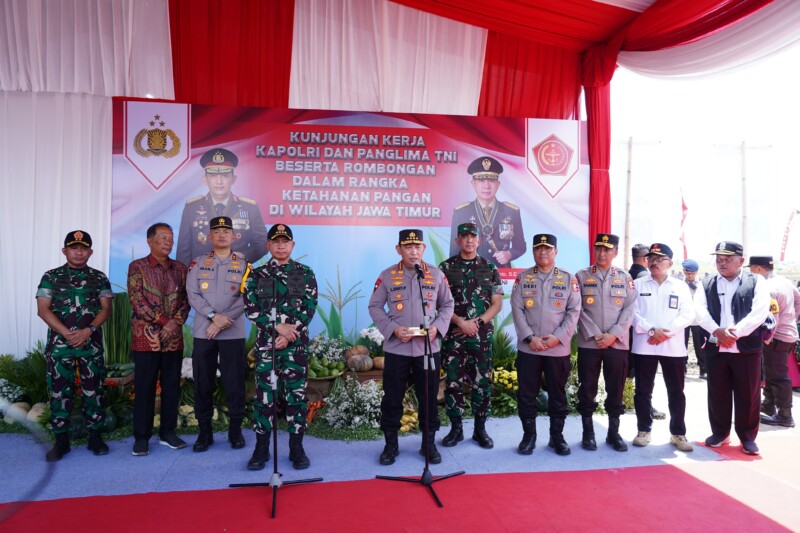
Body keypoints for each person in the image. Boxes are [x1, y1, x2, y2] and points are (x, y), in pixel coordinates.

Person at [368, 229, 454, 465]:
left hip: (428, 349)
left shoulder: (435, 275)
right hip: (398, 349)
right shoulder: (387, 276)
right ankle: (391, 444)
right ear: (399, 250)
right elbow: (375, 306)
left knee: (429, 397)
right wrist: (393, 329)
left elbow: (448, 305)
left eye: (417, 246)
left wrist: (438, 327)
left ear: (423, 249)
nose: (413, 251)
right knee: (392, 397)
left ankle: (428, 443)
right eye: (408, 247)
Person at [243, 224, 318, 470]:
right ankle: (261, 449)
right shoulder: (256, 275)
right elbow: (251, 308)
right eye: (276, 242)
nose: (281, 246)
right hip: (268, 347)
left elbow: (309, 307)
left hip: (295, 347)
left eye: (285, 241)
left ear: (292, 245)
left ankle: (297, 449)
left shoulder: (305, 273)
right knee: (264, 397)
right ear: (268, 245)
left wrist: (289, 335)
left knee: (296, 397)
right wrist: (277, 328)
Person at [36, 231, 113, 461]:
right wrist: (67, 334)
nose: (78, 252)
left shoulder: (99, 278)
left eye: (83, 248)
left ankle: (95, 437)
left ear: (90, 252)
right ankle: (61, 441)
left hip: (90, 343)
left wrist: (88, 330)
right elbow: (43, 309)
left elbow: (106, 308)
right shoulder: (51, 276)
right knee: (60, 391)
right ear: (64, 251)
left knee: (94, 389)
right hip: (61, 345)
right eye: (73, 248)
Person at [694, 241, 770, 455]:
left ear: (741, 261)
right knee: (718, 393)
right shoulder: (706, 283)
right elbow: (700, 311)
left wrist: (734, 333)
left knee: (748, 395)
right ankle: (720, 433)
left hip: (745, 349)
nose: (722, 263)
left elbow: (759, 312)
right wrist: (717, 331)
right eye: (719, 259)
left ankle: (747, 437)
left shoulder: (756, 281)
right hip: (716, 348)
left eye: (728, 259)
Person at [510, 233, 581, 456]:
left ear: (555, 252)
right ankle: (529, 436)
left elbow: (574, 311)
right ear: (533, 252)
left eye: (548, 248)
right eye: (539, 248)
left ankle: (556, 436)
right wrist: (530, 338)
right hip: (529, 347)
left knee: (557, 394)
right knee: (526, 394)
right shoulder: (523, 278)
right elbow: (517, 309)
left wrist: (558, 337)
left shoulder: (568, 279)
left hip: (557, 348)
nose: (543, 252)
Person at [186, 216, 250, 452]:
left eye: (226, 231)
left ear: (234, 236)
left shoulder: (244, 265)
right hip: (205, 333)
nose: (222, 235)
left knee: (235, 383)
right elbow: (192, 294)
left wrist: (223, 321)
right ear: (209, 237)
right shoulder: (198, 263)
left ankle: (235, 431)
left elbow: (247, 296)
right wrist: (214, 316)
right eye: (217, 231)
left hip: (232, 333)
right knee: (203, 383)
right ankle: (205, 433)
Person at [439, 223, 503, 449]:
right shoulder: (446, 267)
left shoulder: (489, 267)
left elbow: (497, 303)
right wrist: (461, 323)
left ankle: (480, 429)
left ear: (479, 241)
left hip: (481, 337)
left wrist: (477, 323)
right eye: (464, 236)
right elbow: (440, 303)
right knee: (453, 382)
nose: (469, 240)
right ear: (457, 240)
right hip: (454, 335)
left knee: (481, 382)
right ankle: (456, 429)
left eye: (472, 237)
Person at [128, 223, 190, 456]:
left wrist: (175, 323)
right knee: (144, 387)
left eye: (171, 238)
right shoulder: (138, 267)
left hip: (173, 338)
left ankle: (168, 432)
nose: (168, 241)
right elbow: (137, 300)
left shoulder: (180, 268)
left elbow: (187, 299)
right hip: (146, 338)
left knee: (171, 386)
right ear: (149, 240)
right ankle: (141, 437)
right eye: (163, 237)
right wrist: (166, 322)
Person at [631, 243, 695, 452]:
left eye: (659, 259)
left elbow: (688, 314)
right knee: (643, 391)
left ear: (670, 263)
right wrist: (651, 330)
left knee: (676, 391)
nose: (654, 262)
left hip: (672, 347)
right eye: (651, 258)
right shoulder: (638, 284)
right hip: (645, 345)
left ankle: (678, 433)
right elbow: (631, 313)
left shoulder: (680, 286)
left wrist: (666, 331)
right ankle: (643, 430)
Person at [575, 233, 636, 453]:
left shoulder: (625, 278)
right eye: (598, 249)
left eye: (607, 250)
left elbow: (630, 309)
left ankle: (613, 433)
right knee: (587, 389)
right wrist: (595, 334)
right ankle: (588, 433)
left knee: (615, 389)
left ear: (615, 252)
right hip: (589, 344)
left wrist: (613, 335)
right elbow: (577, 308)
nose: (602, 253)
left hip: (616, 344)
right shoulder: (581, 276)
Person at [177, 147, 268, 266]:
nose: (219, 181)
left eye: (224, 176)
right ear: (205, 180)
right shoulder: (192, 208)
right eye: (213, 176)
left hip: (236, 273)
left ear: (233, 179)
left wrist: (240, 258)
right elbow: (183, 251)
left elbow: (262, 244)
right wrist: (184, 276)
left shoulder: (249, 208)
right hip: (200, 273)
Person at [747, 256, 797, 428]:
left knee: (778, 376)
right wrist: (791, 319)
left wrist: (768, 337)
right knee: (771, 371)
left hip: (776, 337)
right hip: (788, 334)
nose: (750, 272)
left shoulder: (767, 288)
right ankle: (769, 404)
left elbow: (771, 318)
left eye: (751, 269)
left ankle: (785, 415)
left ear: (758, 269)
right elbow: (798, 300)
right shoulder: (785, 281)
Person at [449, 156, 525, 268]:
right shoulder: (461, 212)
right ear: (473, 184)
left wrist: (509, 254)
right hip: (471, 273)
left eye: (492, 180)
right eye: (481, 181)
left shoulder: (511, 211)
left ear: (498, 184)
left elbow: (520, 246)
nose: (486, 186)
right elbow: (454, 251)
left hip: (501, 273)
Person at [682, 259, 708, 379]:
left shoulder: (702, 284)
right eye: (688, 273)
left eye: (692, 273)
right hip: (684, 320)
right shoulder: (679, 284)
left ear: (696, 272)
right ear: (684, 271)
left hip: (698, 320)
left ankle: (703, 369)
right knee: (682, 345)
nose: (690, 275)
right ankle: (682, 368)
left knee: (700, 346)